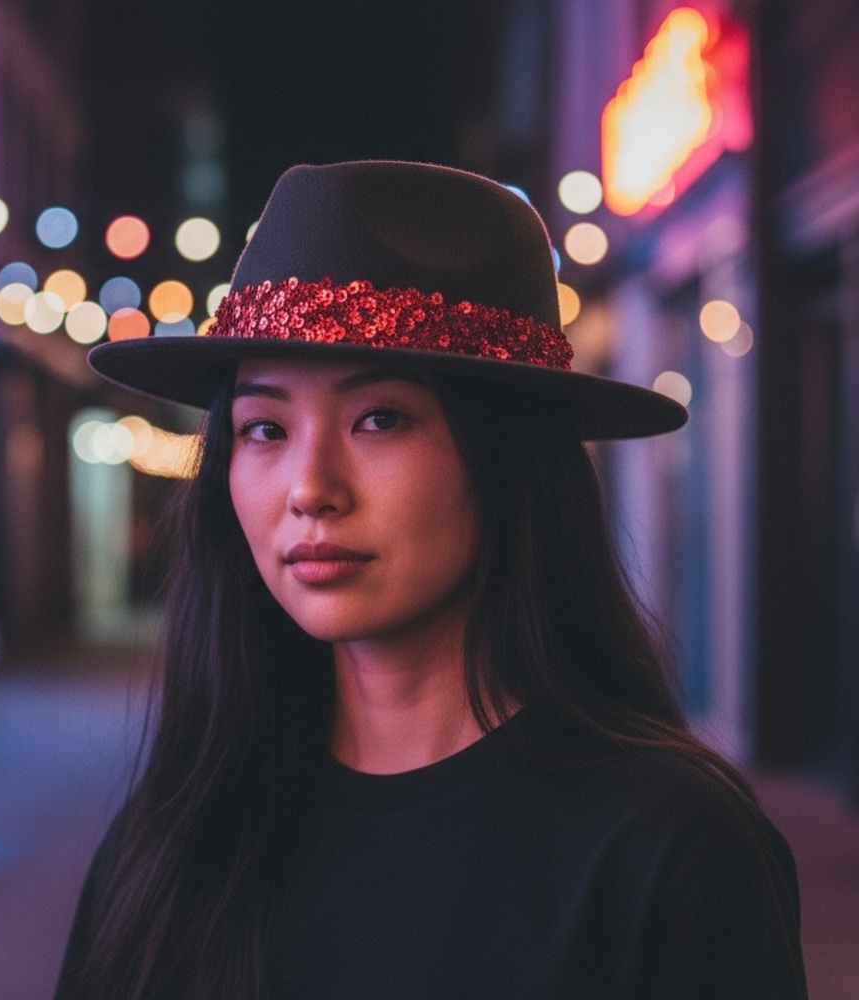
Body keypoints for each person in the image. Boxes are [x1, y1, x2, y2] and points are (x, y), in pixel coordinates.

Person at [55, 161, 807, 999]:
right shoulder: (174, 837)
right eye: (265, 428)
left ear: (508, 460)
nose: (310, 488)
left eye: (381, 418)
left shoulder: (669, 844)